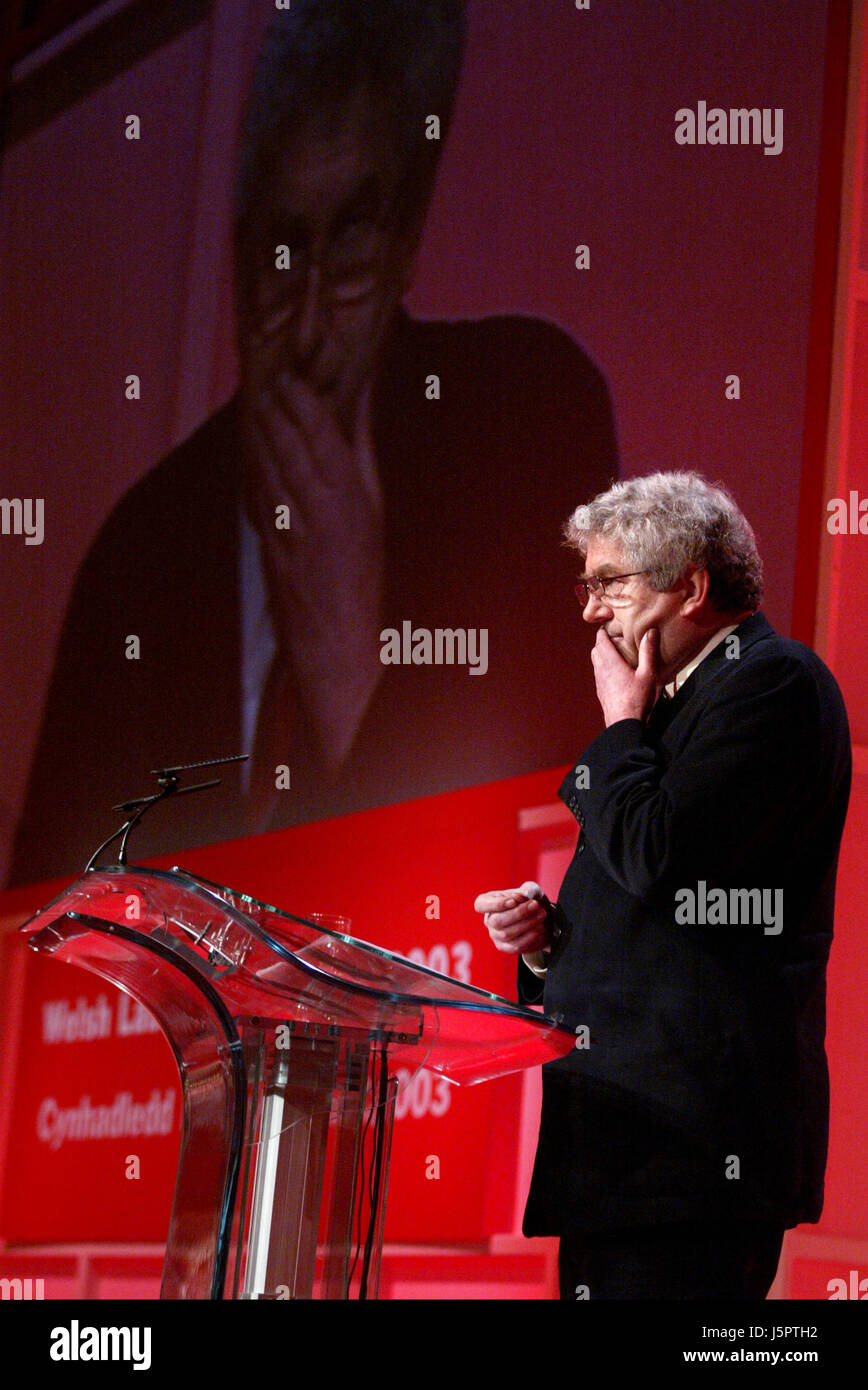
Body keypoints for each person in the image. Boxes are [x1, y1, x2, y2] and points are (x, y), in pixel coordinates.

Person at [9, 0, 617, 885]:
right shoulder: (136, 555)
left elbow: (566, 866)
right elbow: (38, 936)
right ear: (238, 250)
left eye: (353, 253)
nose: (301, 329)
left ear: (407, 244)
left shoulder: (526, 418)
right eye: (280, 252)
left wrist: (354, 678)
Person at [475, 472, 851, 1300]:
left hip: (694, 1149)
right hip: (626, 1146)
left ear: (691, 585)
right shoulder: (672, 707)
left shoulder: (771, 682)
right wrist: (547, 944)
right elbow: (643, 894)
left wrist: (620, 723)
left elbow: (657, 854)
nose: (589, 611)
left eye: (610, 583)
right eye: (588, 584)